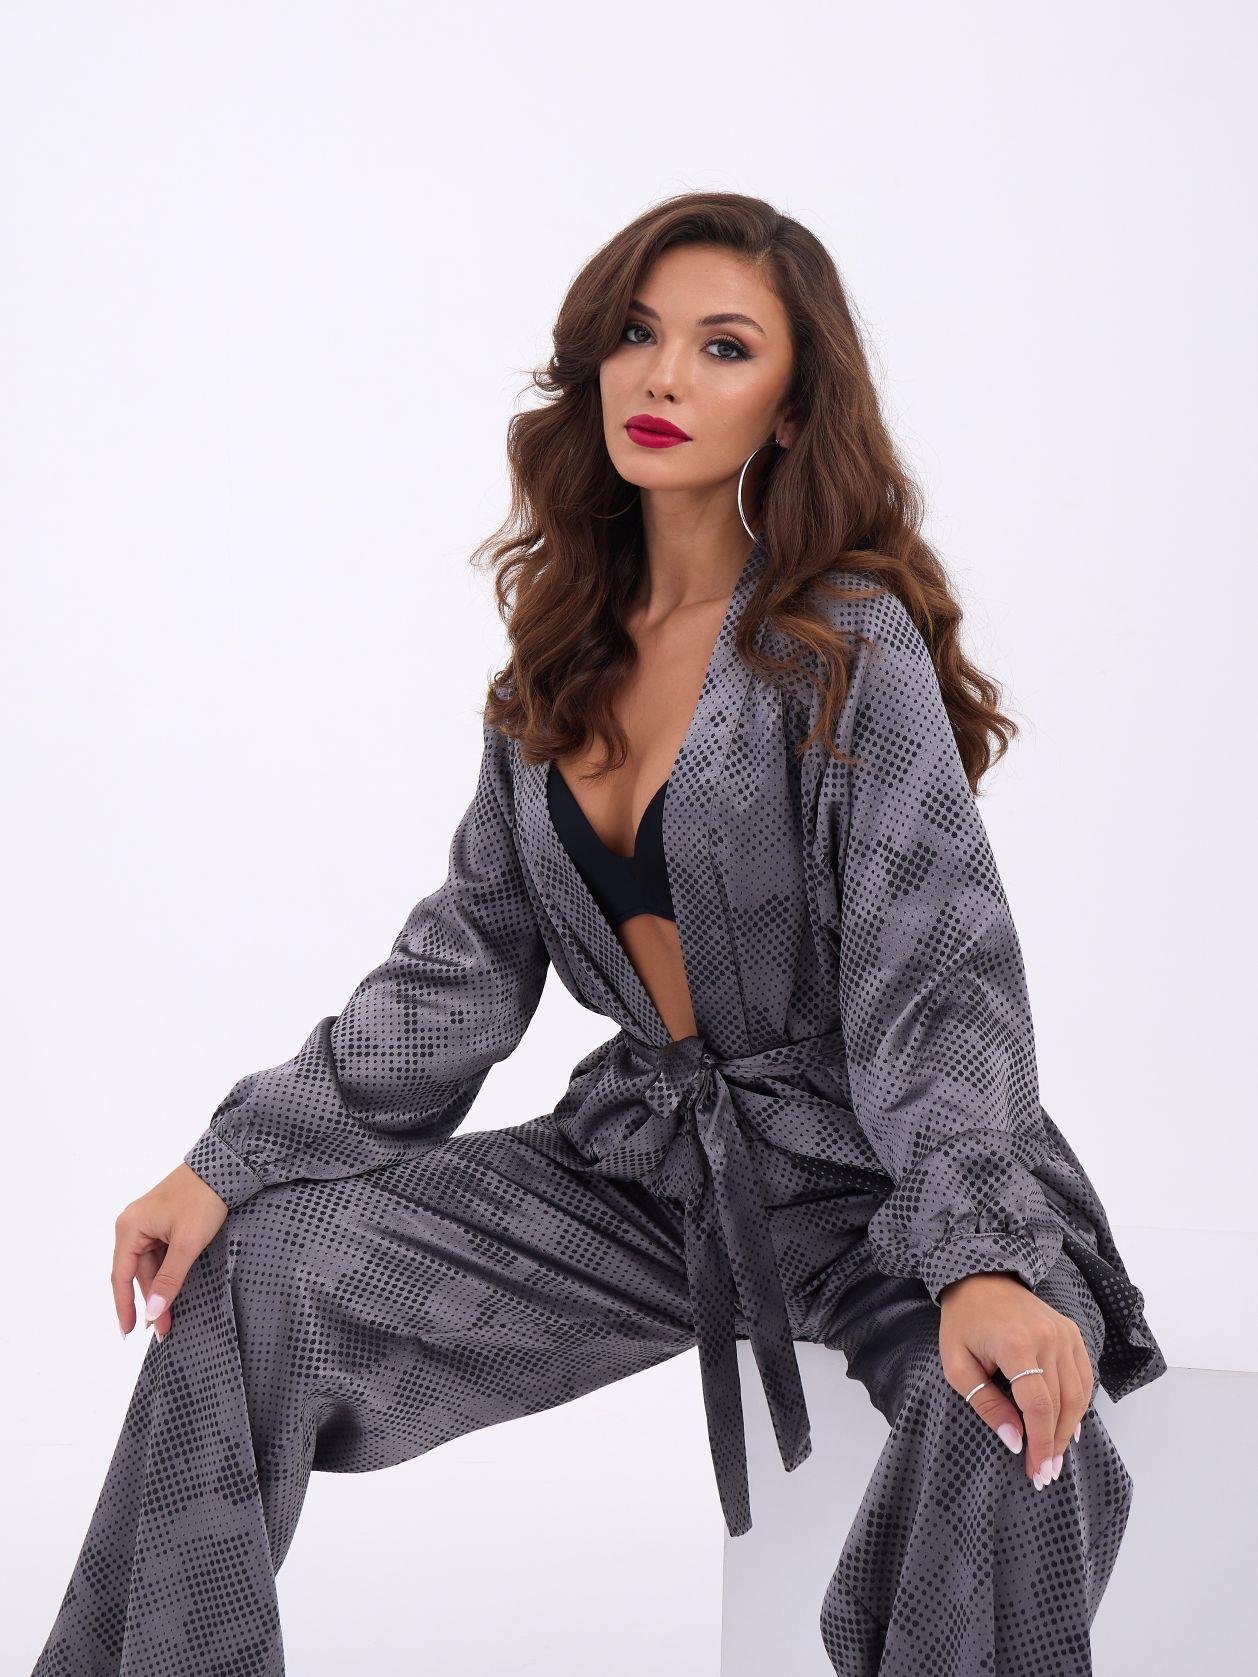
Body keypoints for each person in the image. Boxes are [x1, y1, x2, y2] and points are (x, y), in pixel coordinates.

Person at [30, 191, 1166, 1677]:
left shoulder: (844, 643)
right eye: (637, 334)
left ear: (790, 408)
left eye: (723, 346)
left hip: (868, 1179)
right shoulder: (558, 653)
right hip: (641, 1172)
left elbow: (934, 981)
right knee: (251, 1275)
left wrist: (980, 1254)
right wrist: (229, 1159)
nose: (664, 375)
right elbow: (462, 967)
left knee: (1013, 1431)